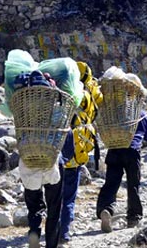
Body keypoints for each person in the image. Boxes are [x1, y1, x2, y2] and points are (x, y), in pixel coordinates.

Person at [15, 69, 71, 248]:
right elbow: (64, 125)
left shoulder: (20, 107)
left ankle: (34, 231)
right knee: (54, 207)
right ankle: (51, 244)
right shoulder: (54, 108)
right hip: (51, 159)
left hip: (28, 158)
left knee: (33, 203)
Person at [59, 62, 103, 245]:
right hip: (75, 154)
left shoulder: (57, 93)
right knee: (69, 195)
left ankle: (51, 230)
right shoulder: (85, 94)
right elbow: (94, 112)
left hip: (54, 153)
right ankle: (64, 233)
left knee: (54, 196)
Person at [96, 109, 147, 233]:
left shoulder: (112, 112)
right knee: (133, 184)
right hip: (132, 151)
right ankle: (133, 218)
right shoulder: (140, 114)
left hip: (113, 150)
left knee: (111, 183)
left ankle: (106, 209)